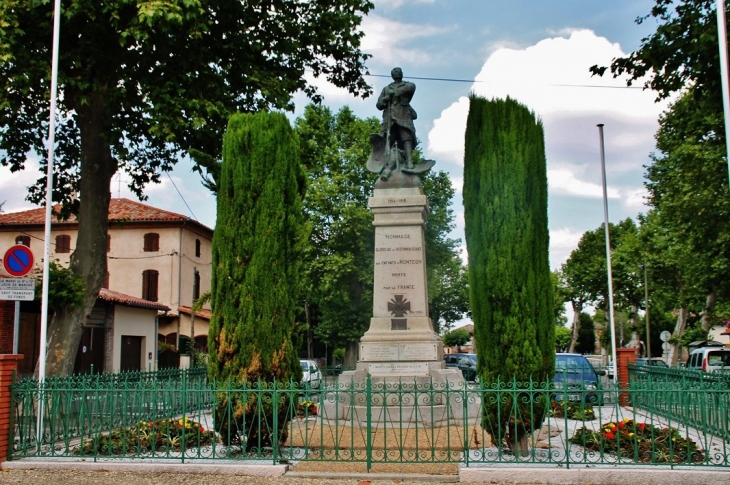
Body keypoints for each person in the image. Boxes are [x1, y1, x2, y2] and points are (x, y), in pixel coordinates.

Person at [376, 67, 417, 169]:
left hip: (403, 115)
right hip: (389, 118)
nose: (397, 73)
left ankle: (409, 162)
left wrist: (394, 93)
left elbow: (411, 88)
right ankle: (388, 164)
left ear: (402, 74)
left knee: (406, 137)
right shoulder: (386, 89)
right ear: (392, 75)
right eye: (395, 72)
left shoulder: (408, 85)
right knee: (388, 139)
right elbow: (379, 105)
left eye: (399, 72)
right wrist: (386, 98)